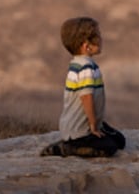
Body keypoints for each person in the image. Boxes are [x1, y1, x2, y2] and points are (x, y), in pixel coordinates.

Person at [41, 16, 126, 157]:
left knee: (120, 140)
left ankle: (76, 142)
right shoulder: (85, 67)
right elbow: (87, 97)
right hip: (80, 131)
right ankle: (68, 149)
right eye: (98, 36)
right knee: (110, 147)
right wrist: (93, 125)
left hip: (81, 128)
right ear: (86, 45)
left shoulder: (79, 63)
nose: (101, 39)